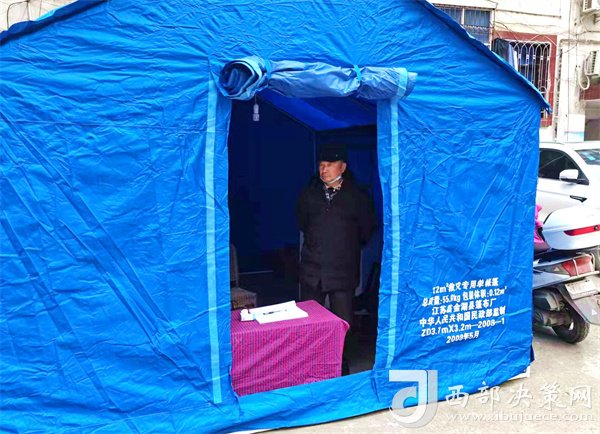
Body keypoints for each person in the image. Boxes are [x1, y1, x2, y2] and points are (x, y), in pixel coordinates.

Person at [296, 143, 377, 330]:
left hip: (343, 270)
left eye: (330, 165)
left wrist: (347, 245)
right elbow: (303, 223)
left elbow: (367, 228)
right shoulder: (309, 194)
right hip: (312, 269)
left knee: (343, 322)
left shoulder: (357, 196)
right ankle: (313, 350)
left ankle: (342, 351)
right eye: (321, 165)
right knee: (309, 321)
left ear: (343, 167)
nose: (324, 170)